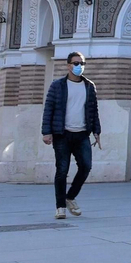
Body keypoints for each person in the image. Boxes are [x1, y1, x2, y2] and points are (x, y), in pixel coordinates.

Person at [41, 52, 100, 219]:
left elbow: (93, 110)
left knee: (86, 166)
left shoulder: (89, 86)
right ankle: (60, 207)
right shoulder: (57, 85)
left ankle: (70, 197)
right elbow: (48, 109)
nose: (79, 66)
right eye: (75, 63)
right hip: (62, 134)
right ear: (68, 65)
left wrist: (97, 131)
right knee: (62, 170)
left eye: (82, 63)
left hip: (82, 134)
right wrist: (46, 132)